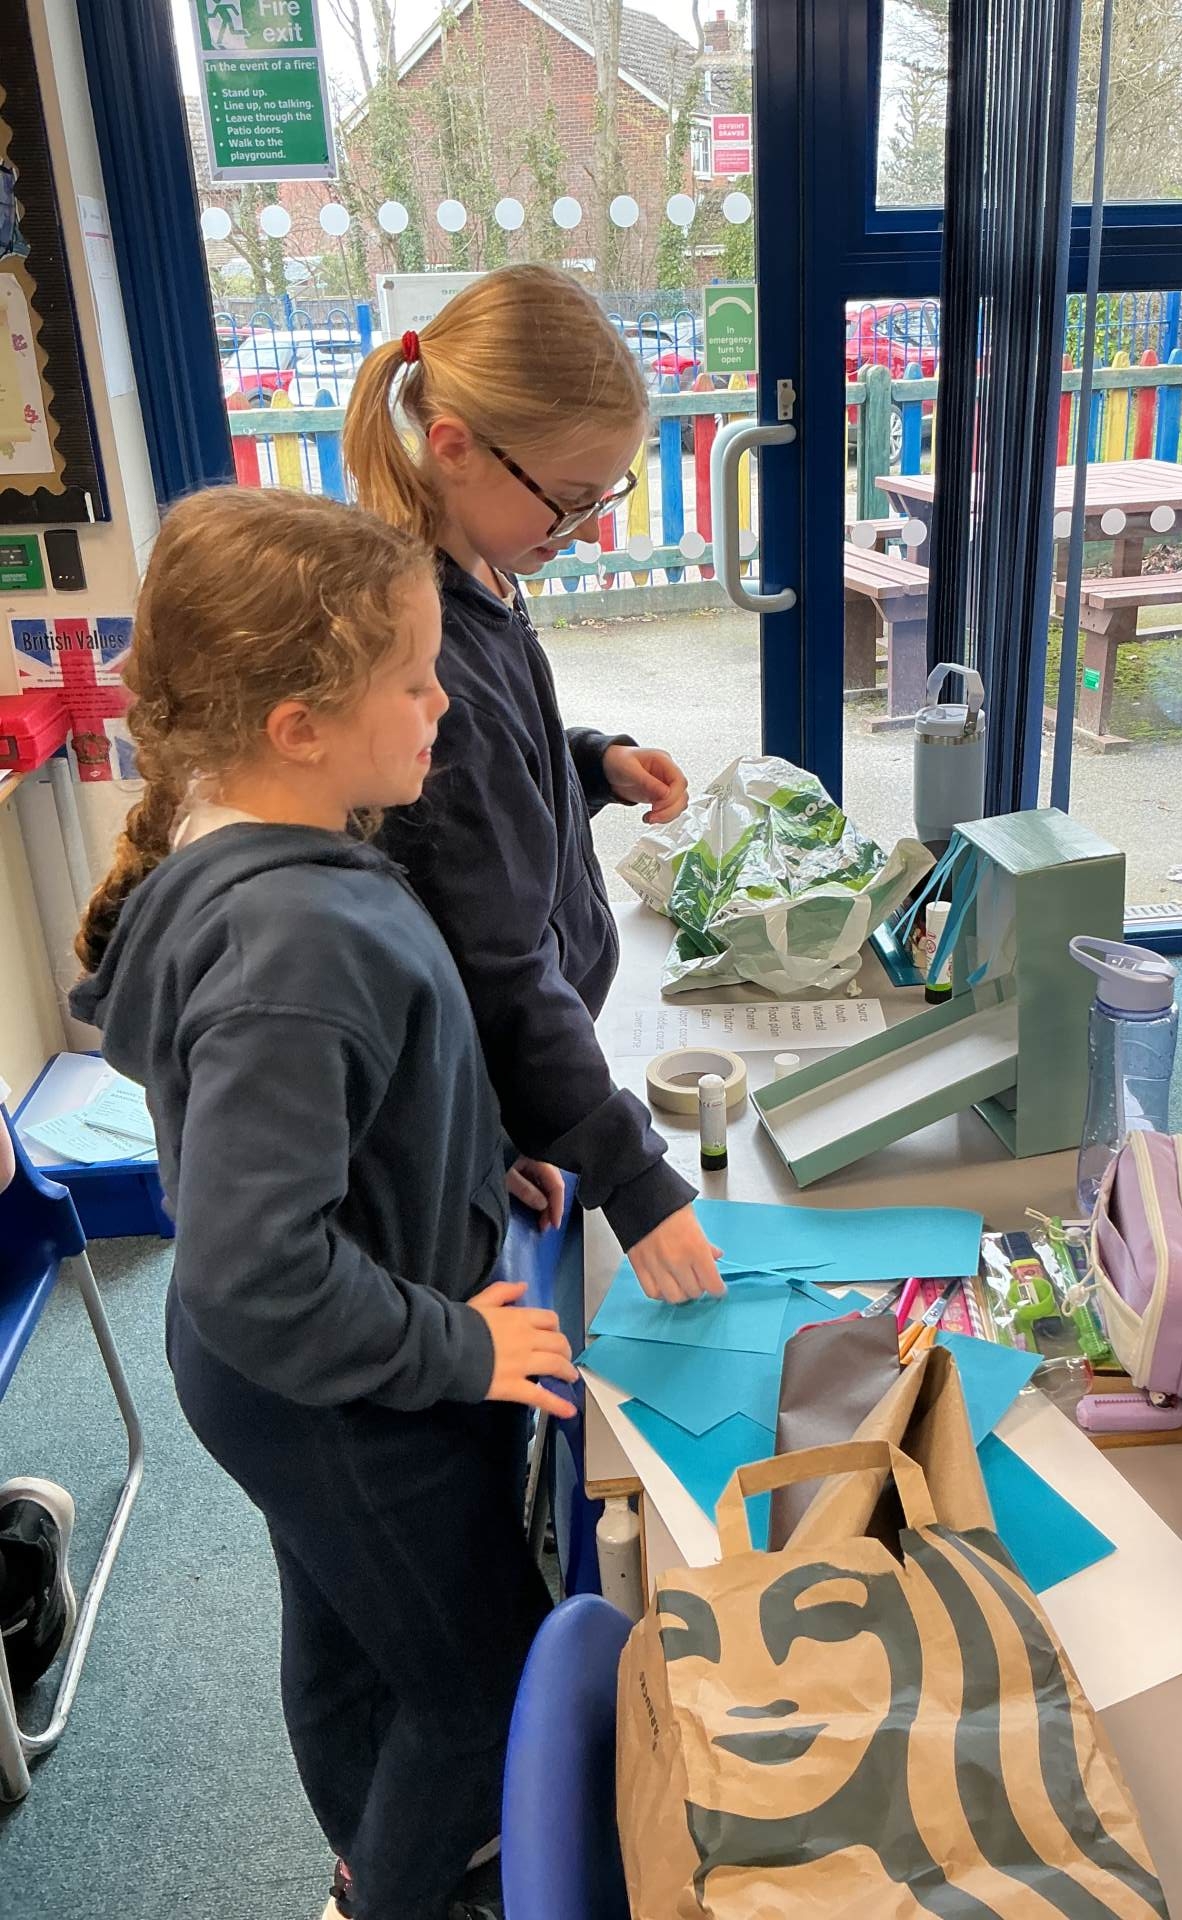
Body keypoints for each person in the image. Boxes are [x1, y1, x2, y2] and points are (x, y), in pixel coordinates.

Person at [70, 487, 576, 1920]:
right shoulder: (290, 937)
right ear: (298, 726)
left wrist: (468, 1156)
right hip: (334, 1386)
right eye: (412, 682)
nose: (442, 704)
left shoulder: (278, 854)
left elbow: (352, 1105)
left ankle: (374, 1841)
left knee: (353, 1624)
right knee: (483, 1681)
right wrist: (460, 1347)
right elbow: (261, 1271)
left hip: (302, 1368)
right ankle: (387, 1895)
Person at [343, 265, 724, 1307]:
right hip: (456, 1095)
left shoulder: (482, 578)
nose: (591, 526)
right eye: (572, 498)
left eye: (607, 495)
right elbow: (499, 968)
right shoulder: (428, 645)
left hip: (497, 1091)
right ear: (455, 445)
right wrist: (635, 1180)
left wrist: (591, 761)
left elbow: (505, 774)